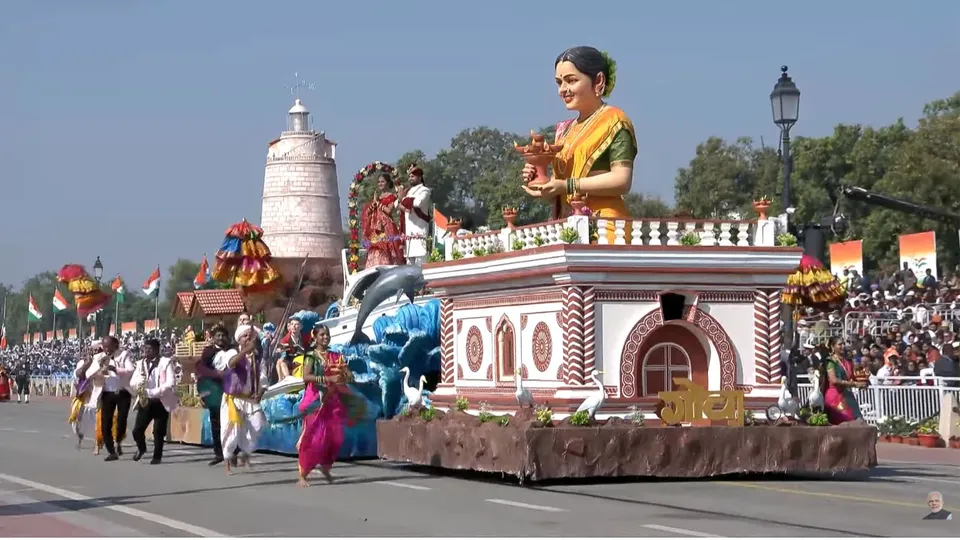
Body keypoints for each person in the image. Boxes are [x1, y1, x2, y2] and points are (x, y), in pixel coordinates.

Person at [521, 46, 637, 233]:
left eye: (571, 81)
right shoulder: (564, 130)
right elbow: (560, 189)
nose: (563, 90)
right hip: (568, 228)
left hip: (604, 228)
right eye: (559, 83)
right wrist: (541, 181)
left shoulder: (615, 121)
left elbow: (622, 180)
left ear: (598, 81)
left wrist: (567, 185)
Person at [294, 325, 365, 487]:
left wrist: (347, 375)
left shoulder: (336, 356)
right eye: (322, 335)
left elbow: (349, 376)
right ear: (315, 337)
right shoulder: (311, 356)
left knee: (335, 438)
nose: (325, 337)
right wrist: (327, 379)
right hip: (316, 400)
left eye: (327, 335)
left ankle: (326, 467)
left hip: (333, 401)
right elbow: (306, 377)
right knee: (314, 438)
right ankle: (303, 474)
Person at [216, 325, 266, 475]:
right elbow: (231, 364)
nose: (248, 338)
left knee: (258, 425)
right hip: (233, 399)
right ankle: (227, 464)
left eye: (250, 336)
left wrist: (261, 393)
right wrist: (245, 351)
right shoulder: (232, 352)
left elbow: (263, 378)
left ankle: (245, 453)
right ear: (239, 339)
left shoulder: (258, 356)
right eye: (245, 336)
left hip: (249, 399)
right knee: (231, 432)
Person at [194, 324, 238, 466]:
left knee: (233, 420)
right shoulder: (209, 352)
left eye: (223, 335)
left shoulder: (233, 350)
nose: (220, 338)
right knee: (216, 422)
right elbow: (200, 367)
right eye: (217, 335)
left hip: (231, 389)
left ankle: (233, 450)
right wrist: (216, 374)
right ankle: (218, 453)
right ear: (213, 338)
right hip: (214, 389)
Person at [130, 339, 177, 464]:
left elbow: (170, 383)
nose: (146, 351)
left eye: (149, 349)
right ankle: (141, 448)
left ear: (157, 350)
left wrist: (154, 392)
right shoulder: (140, 364)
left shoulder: (165, 362)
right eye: (145, 348)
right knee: (137, 430)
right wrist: (139, 382)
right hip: (146, 401)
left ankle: (157, 457)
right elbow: (132, 382)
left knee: (158, 432)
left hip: (161, 401)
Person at [96, 336, 135, 461]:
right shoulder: (99, 357)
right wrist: (99, 370)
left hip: (123, 392)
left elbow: (130, 370)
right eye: (104, 346)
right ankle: (111, 451)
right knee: (105, 423)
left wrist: (115, 369)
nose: (106, 349)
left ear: (115, 346)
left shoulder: (124, 355)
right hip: (107, 393)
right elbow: (91, 373)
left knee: (121, 420)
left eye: (108, 346)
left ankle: (118, 441)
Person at [362, 172, 406, 268]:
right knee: (375, 246)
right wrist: (374, 203)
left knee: (388, 247)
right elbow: (369, 212)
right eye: (378, 182)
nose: (380, 184)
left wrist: (378, 203)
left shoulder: (392, 196)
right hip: (376, 227)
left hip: (387, 226)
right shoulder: (378, 196)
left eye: (382, 182)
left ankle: (388, 266)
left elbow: (389, 211)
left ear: (388, 183)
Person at [820, 337, 865, 424]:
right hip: (835, 396)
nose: (843, 346)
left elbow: (852, 378)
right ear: (833, 347)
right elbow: (834, 380)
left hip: (847, 394)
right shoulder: (831, 361)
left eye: (843, 344)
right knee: (846, 420)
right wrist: (854, 384)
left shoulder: (847, 361)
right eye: (840, 344)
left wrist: (862, 383)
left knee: (858, 420)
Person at [398, 164, 432, 265]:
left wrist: (403, 199)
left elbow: (418, 203)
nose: (410, 178)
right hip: (408, 234)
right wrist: (401, 202)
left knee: (421, 264)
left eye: (412, 176)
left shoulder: (425, 190)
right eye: (409, 176)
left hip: (419, 231)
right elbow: (397, 203)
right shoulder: (408, 191)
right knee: (409, 267)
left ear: (420, 177)